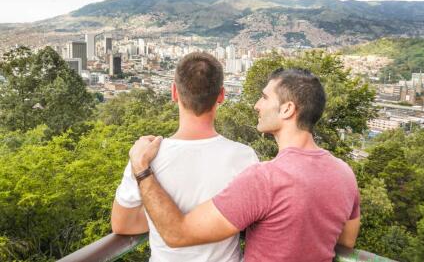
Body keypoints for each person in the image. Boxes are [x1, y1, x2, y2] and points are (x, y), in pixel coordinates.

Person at [129, 68, 361, 262]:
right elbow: (345, 242)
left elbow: (176, 234)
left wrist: (142, 169)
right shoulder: (344, 174)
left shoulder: (266, 179)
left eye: (265, 97)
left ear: (287, 109)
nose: (256, 105)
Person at [111, 52, 259, 262]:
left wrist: (161, 217)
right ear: (221, 95)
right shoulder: (244, 158)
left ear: (174, 92)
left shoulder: (144, 157)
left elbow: (122, 225)